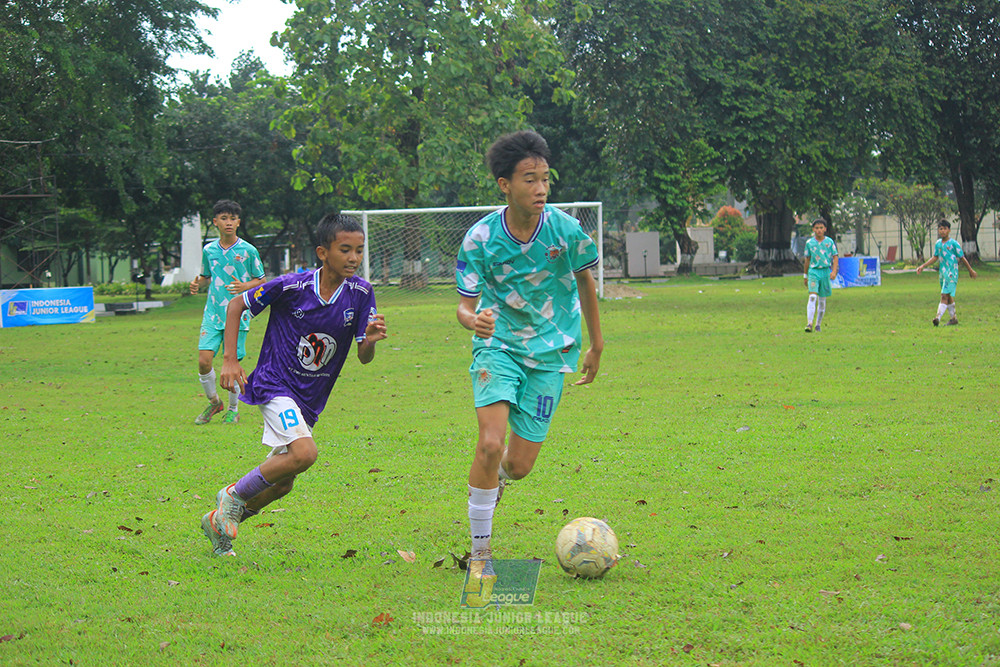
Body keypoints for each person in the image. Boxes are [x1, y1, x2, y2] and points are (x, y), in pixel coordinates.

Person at [455, 130, 604, 577]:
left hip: (551, 352)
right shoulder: (480, 238)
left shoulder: (566, 229)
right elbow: (465, 305)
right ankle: (481, 555)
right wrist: (472, 320)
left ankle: (495, 482)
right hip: (496, 348)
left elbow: (585, 282)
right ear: (505, 184)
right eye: (528, 179)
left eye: (544, 179)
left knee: (517, 465)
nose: (539, 188)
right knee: (489, 443)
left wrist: (597, 343)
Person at [200, 213, 387, 557]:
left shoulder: (361, 293)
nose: (353, 258)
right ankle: (231, 496)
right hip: (275, 384)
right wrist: (229, 359)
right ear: (322, 251)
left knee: (283, 482)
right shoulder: (292, 286)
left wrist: (370, 340)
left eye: (359, 251)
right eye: (345, 249)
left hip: (310, 398)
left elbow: (364, 357)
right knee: (305, 453)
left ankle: (220, 523)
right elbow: (238, 302)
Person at [189, 200, 266, 425]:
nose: (229, 223)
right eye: (224, 218)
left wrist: (245, 287)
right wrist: (197, 285)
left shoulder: (248, 250)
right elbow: (205, 277)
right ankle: (215, 403)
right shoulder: (209, 250)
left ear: (238, 222)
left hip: (238, 314)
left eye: (233, 219)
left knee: (231, 363)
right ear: (215, 222)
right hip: (212, 313)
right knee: (204, 361)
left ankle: (233, 408)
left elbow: (261, 280)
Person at [916, 220, 977, 325]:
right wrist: (923, 266)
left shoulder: (954, 244)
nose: (943, 231)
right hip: (942, 273)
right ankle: (954, 319)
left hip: (952, 273)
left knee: (944, 295)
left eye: (945, 228)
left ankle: (937, 318)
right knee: (948, 296)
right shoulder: (938, 244)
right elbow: (935, 257)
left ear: (949, 230)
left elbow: (962, 257)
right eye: (940, 229)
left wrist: (970, 270)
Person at [802, 218, 838, 332]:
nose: (819, 230)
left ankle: (818, 324)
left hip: (825, 272)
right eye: (817, 228)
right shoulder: (809, 243)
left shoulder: (829, 242)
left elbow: (835, 256)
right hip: (813, 271)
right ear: (813, 229)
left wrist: (834, 271)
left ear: (825, 229)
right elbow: (807, 260)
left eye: (821, 228)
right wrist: (805, 275)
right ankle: (809, 323)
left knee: (822, 300)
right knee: (812, 297)